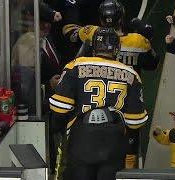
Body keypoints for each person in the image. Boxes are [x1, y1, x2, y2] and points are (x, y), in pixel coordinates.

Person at [68, 0, 158, 169]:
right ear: (121, 17)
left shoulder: (92, 33)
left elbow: (72, 35)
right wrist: (147, 37)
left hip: (94, 107)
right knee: (128, 155)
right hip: (126, 107)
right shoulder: (137, 41)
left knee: (93, 157)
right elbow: (153, 64)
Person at [49, 27, 148, 180]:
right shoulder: (131, 74)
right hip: (113, 140)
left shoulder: (75, 65)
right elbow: (135, 122)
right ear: (117, 49)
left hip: (81, 137)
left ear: (94, 47)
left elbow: (59, 108)